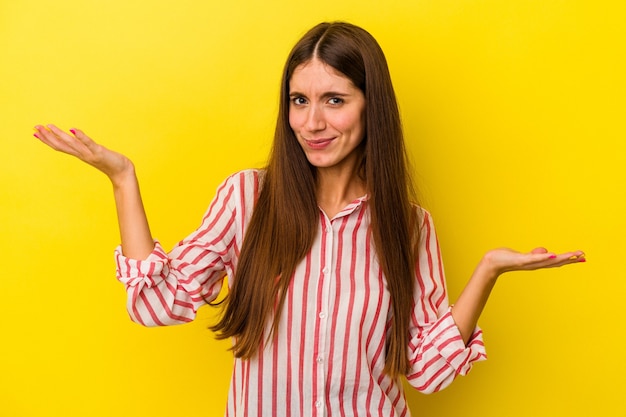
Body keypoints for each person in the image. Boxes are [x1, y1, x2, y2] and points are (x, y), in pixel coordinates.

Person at [33, 21, 585, 417]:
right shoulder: (247, 199)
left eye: (335, 101)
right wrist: (123, 179)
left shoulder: (408, 225)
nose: (313, 122)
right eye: (299, 100)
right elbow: (155, 304)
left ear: (373, 106)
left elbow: (426, 370)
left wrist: (488, 270)